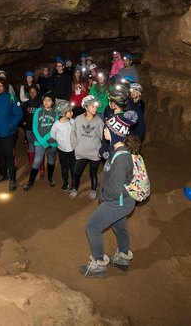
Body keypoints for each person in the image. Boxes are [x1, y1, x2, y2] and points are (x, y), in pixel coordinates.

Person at [79, 96, 139, 278]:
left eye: (107, 128)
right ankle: (122, 257)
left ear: (114, 132)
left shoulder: (121, 158)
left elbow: (114, 189)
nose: (104, 129)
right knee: (118, 226)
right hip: (124, 201)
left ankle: (98, 264)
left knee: (92, 227)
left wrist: (103, 200)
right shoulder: (118, 149)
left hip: (117, 200)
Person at [0, 77, 24, 191]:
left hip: (8, 134)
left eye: (1, 85)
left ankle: (12, 179)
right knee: (0, 155)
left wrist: (10, 125)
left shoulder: (11, 98)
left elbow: (19, 114)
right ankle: (3, 175)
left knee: (9, 156)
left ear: (5, 87)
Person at [69, 95, 104, 199]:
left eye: (96, 106)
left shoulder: (99, 121)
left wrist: (100, 150)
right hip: (81, 152)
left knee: (93, 173)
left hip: (94, 153)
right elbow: (73, 135)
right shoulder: (78, 119)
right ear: (86, 107)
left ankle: (93, 190)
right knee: (76, 173)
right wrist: (76, 147)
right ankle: (74, 188)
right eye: (93, 106)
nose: (95, 108)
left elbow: (103, 137)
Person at [24, 92, 58, 190]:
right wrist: (42, 141)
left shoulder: (55, 113)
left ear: (52, 102)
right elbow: (34, 127)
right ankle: (30, 182)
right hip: (39, 141)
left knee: (51, 160)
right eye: (44, 100)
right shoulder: (38, 111)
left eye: (49, 100)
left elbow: (54, 129)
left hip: (52, 141)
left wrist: (45, 141)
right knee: (37, 160)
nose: (46, 102)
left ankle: (50, 178)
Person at [51, 99, 75, 192]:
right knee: (64, 167)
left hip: (72, 149)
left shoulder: (73, 122)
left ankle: (73, 183)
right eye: (69, 111)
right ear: (63, 113)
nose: (72, 112)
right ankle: (65, 182)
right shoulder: (56, 125)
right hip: (62, 150)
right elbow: (53, 135)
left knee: (73, 167)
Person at [22, 85, 43, 174]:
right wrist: (23, 122)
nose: (32, 93)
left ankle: (42, 168)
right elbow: (22, 115)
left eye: (34, 91)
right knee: (31, 147)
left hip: (38, 130)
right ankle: (32, 166)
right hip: (29, 129)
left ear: (37, 92)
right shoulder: (26, 104)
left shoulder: (41, 103)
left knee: (40, 148)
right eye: (30, 92)